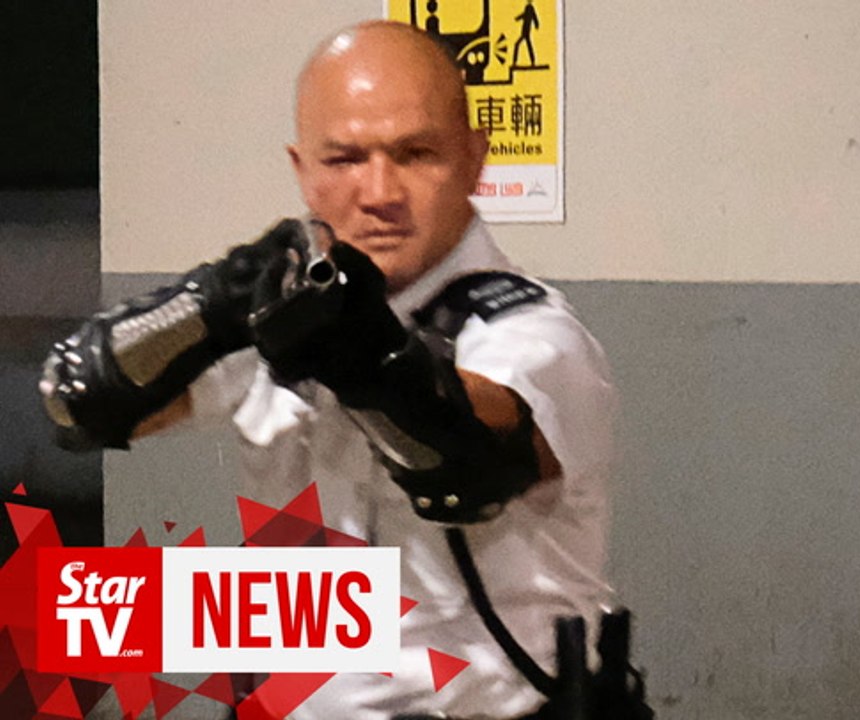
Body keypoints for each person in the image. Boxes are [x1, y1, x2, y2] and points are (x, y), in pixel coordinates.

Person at [39, 21, 634, 719]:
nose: (380, 191)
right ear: (303, 171)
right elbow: (81, 399)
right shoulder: (289, 308)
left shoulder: (531, 334)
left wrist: (354, 348)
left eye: (416, 154)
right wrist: (212, 305)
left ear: (476, 159)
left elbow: (466, 454)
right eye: (345, 159)